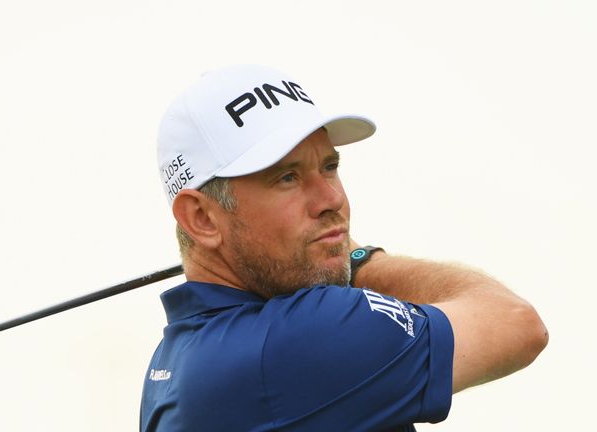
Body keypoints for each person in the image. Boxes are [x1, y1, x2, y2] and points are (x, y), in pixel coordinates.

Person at [140, 64, 548, 431]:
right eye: (287, 177)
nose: (331, 199)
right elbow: (516, 322)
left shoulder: (170, 360)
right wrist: (358, 258)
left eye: (329, 167)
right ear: (202, 219)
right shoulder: (304, 335)